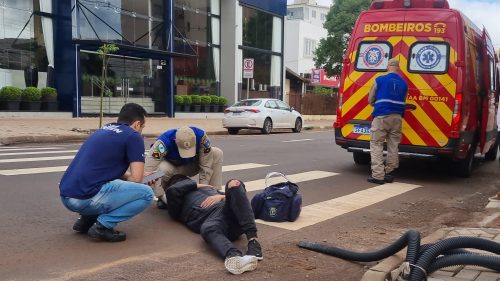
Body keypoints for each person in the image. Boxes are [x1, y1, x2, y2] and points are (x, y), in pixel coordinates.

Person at [59, 103, 154, 242]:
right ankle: (103, 226)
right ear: (137, 124)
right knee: (146, 194)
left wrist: (130, 177)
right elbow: (137, 179)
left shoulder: (103, 130)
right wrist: (139, 180)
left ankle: (87, 219)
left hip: (66, 195)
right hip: (84, 198)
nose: (141, 131)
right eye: (143, 127)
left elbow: (105, 169)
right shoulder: (133, 136)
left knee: (107, 182)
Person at [164, 175, 262, 275]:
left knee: (234, 183)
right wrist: (197, 185)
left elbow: (238, 197)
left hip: (229, 212)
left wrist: (220, 196)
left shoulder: (208, 188)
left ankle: (253, 241)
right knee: (208, 228)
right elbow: (172, 190)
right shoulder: (176, 198)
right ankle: (234, 256)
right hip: (212, 219)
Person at [145, 126, 223, 208]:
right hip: (170, 168)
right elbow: (148, 170)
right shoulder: (163, 142)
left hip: (190, 165)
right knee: (158, 170)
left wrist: (205, 190)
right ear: (175, 141)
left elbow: (206, 164)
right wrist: (162, 196)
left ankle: (214, 191)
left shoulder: (201, 137)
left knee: (216, 153)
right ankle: (164, 196)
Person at [367, 58, 409, 184]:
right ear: (398, 68)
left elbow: (371, 100)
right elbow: (404, 100)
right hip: (397, 118)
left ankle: (378, 176)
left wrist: (377, 103)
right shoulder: (404, 83)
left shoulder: (379, 80)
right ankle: (389, 172)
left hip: (382, 116)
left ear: (388, 67)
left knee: (376, 144)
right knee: (393, 145)